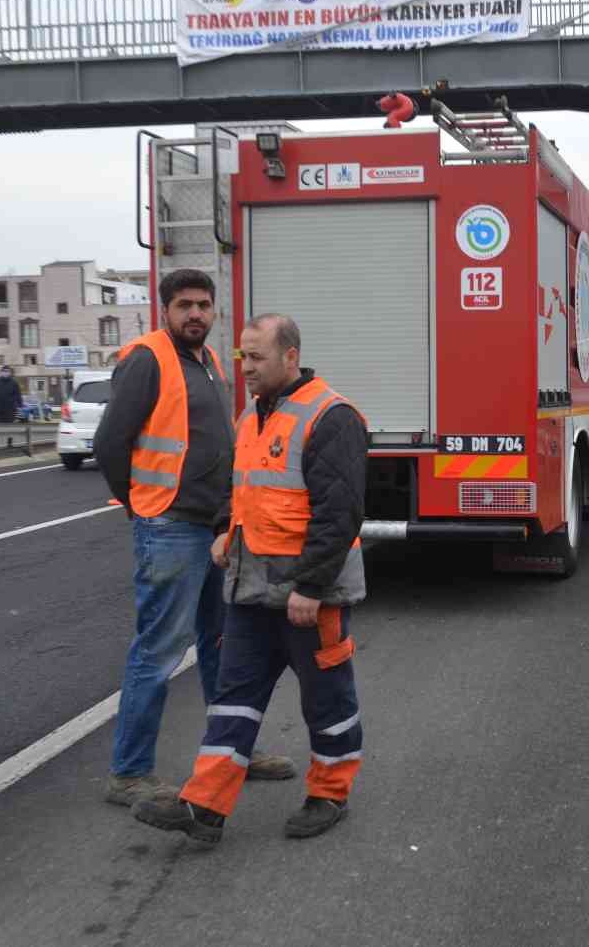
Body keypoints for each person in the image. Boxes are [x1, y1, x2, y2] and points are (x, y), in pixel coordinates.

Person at [133, 313, 368, 846]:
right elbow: (238, 489)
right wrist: (222, 528)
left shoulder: (332, 417)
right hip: (250, 590)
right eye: (242, 357)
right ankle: (205, 807)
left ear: (290, 356)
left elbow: (340, 513)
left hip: (309, 597)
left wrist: (310, 587)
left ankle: (330, 792)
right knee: (234, 697)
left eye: (257, 357)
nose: (246, 368)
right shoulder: (252, 416)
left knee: (327, 699)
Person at [94, 269, 296, 809]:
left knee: (223, 647)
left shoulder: (206, 361)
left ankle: (231, 754)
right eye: (185, 305)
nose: (196, 315)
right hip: (170, 525)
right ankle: (129, 772)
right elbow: (110, 442)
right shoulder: (147, 359)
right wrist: (138, 505)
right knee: (158, 652)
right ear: (166, 309)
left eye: (204, 306)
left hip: (212, 528)